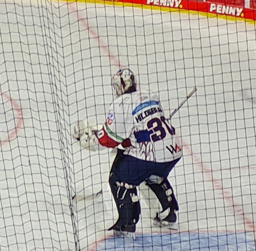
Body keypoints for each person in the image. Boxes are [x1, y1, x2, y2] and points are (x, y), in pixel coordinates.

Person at [74, 67, 182, 235]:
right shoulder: (150, 94)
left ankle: (126, 222)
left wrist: (88, 141)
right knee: (149, 174)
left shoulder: (120, 104)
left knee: (118, 178)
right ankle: (166, 211)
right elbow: (134, 133)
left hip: (149, 157)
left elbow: (110, 140)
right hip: (172, 152)